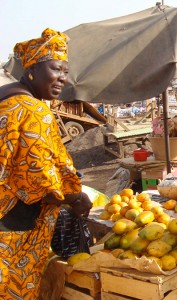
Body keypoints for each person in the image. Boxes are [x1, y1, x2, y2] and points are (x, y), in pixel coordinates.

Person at [0, 28, 92, 299]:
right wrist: (75, 196)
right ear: (31, 70)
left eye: (65, 71)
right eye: (55, 69)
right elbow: (39, 174)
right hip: (15, 223)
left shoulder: (6, 101)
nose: (62, 78)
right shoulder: (33, 111)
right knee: (15, 288)